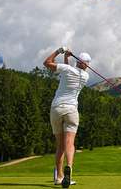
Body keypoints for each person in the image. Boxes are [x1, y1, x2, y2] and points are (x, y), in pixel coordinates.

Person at [43, 47, 91, 187]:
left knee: (60, 146)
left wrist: (60, 51)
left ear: (77, 61)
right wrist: (68, 59)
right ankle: (69, 166)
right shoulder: (85, 77)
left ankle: (59, 177)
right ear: (86, 64)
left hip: (57, 108)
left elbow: (47, 62)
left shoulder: (67, 69)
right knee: (69, 143)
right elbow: (70, 70)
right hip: (71, 111)